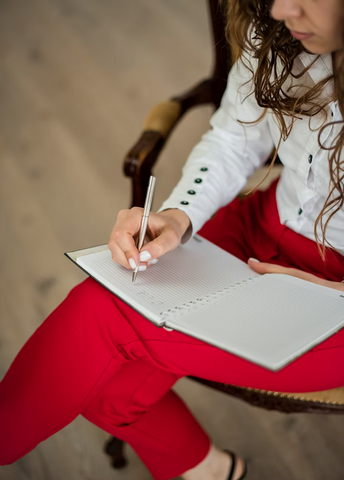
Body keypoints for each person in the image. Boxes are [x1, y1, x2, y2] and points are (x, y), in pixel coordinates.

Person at [1, 0, 344, 478]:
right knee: (107, 390)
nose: (283, 8)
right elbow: (233, 139)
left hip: (335, 299)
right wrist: (180, 215)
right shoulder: (279, 28)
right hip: (260, 226)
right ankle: (209, 469)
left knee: (103, 318)